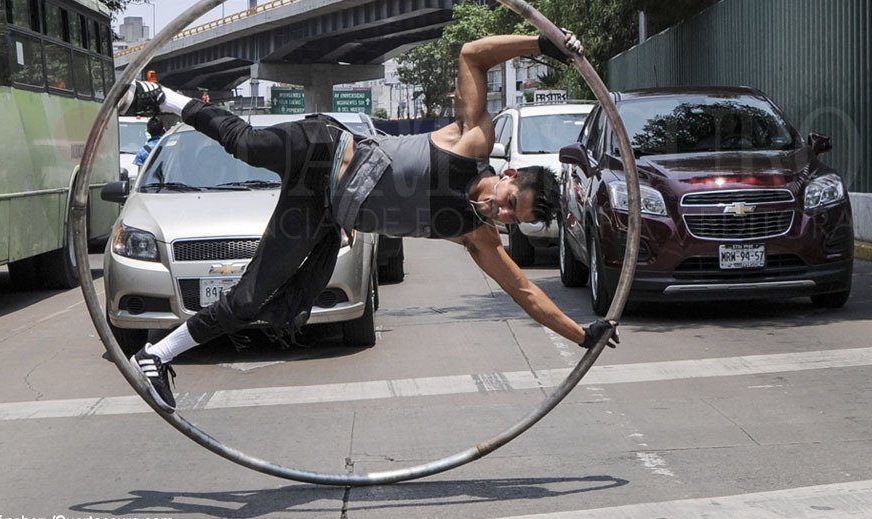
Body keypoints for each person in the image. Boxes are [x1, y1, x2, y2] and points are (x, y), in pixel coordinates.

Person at [119, 30, 620, 412]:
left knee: (250, 298)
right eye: (510, 200)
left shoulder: (476, 236)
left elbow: (527, 294)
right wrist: (540, 42)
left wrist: (582, 334)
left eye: (513, 217)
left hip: (322, 212)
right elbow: (472, 53)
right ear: (508, 174)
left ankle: (157, 356)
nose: (501, 212)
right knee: (249, 144)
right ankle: (165, 99)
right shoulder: (472, 142)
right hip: (324, 151)